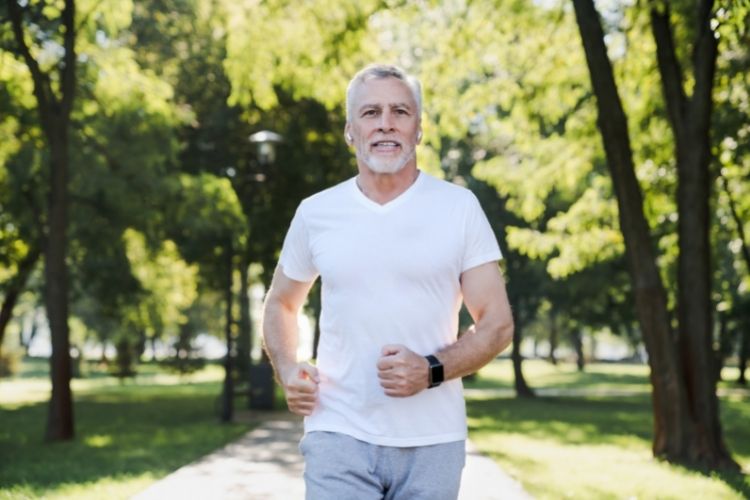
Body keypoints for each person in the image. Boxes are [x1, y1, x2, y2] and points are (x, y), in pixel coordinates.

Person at [262, 63, 514, 500]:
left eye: (400, 111)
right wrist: (287, 369)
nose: (385, 124)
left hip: (433, 441)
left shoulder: (459, 208)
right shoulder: (316, 212)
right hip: (336, 433)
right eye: (370, 112)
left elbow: (497, 324)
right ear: (350, 131)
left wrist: (431, 369)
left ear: (418, 129)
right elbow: (281, 303)